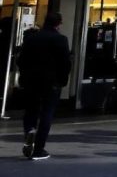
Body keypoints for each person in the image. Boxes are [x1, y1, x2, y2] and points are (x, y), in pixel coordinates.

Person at [18, 12, 71, 161]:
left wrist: (24, 76)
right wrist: (62, 80)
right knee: (47, 112)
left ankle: (30, 130)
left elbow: (21, 60)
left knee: (31, 109)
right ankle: (39, 148)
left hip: (31, 80)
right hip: (51, 82)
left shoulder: (31, 38)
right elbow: (65, 63)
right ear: (58, 24)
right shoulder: (61, 39)